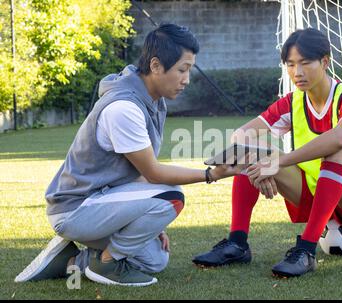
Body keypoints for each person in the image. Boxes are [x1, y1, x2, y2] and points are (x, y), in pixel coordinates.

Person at [15, 23, 241, 287]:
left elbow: (137, 173)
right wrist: (211, 174)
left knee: (155, 260)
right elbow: (153, 173)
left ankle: (70, 261)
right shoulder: (124, 107)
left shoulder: (153, 101)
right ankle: (106, 264)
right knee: (173, 194)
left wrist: (151, 221)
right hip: (76, 209)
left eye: (188, 70)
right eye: (182, 69)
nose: (186, 79)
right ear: (156, 66)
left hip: (103, 202)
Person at [192, 28, 342, 278]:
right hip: (316, 191)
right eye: (291, 64)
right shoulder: (293, 101)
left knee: (337, 151)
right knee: (249, 152)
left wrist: (278, 162)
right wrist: (261, 169)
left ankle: (306, 250)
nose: (298, 72)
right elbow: (241, 135)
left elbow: (340, 138)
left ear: (324, 62)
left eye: (305, 63)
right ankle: (237, 243)